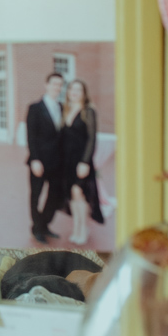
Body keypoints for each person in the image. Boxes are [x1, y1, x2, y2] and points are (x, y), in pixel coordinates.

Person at [60, 79, 103, 245]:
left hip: (82, 160)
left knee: (79, 192)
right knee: (72, 195)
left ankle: (83, 228)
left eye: (78, 89)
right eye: (72, 89)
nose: (74, 92)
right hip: (67, 162)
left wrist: (85, 162)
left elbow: (92, 139)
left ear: (84, 93)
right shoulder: (66, 110)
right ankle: (76, 228)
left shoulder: (88, 111)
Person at [26, 72, 64, 244]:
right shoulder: (35, 108)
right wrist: (35, 159)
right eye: (54, 84)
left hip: (57, 162)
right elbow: (31, 136)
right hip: (39, 161)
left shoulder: (62, 108)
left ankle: (44, 225)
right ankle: (37, 228)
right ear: (46, 85)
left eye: (60, 85)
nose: (57, 87)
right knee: (36, 195)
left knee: (55, 196)